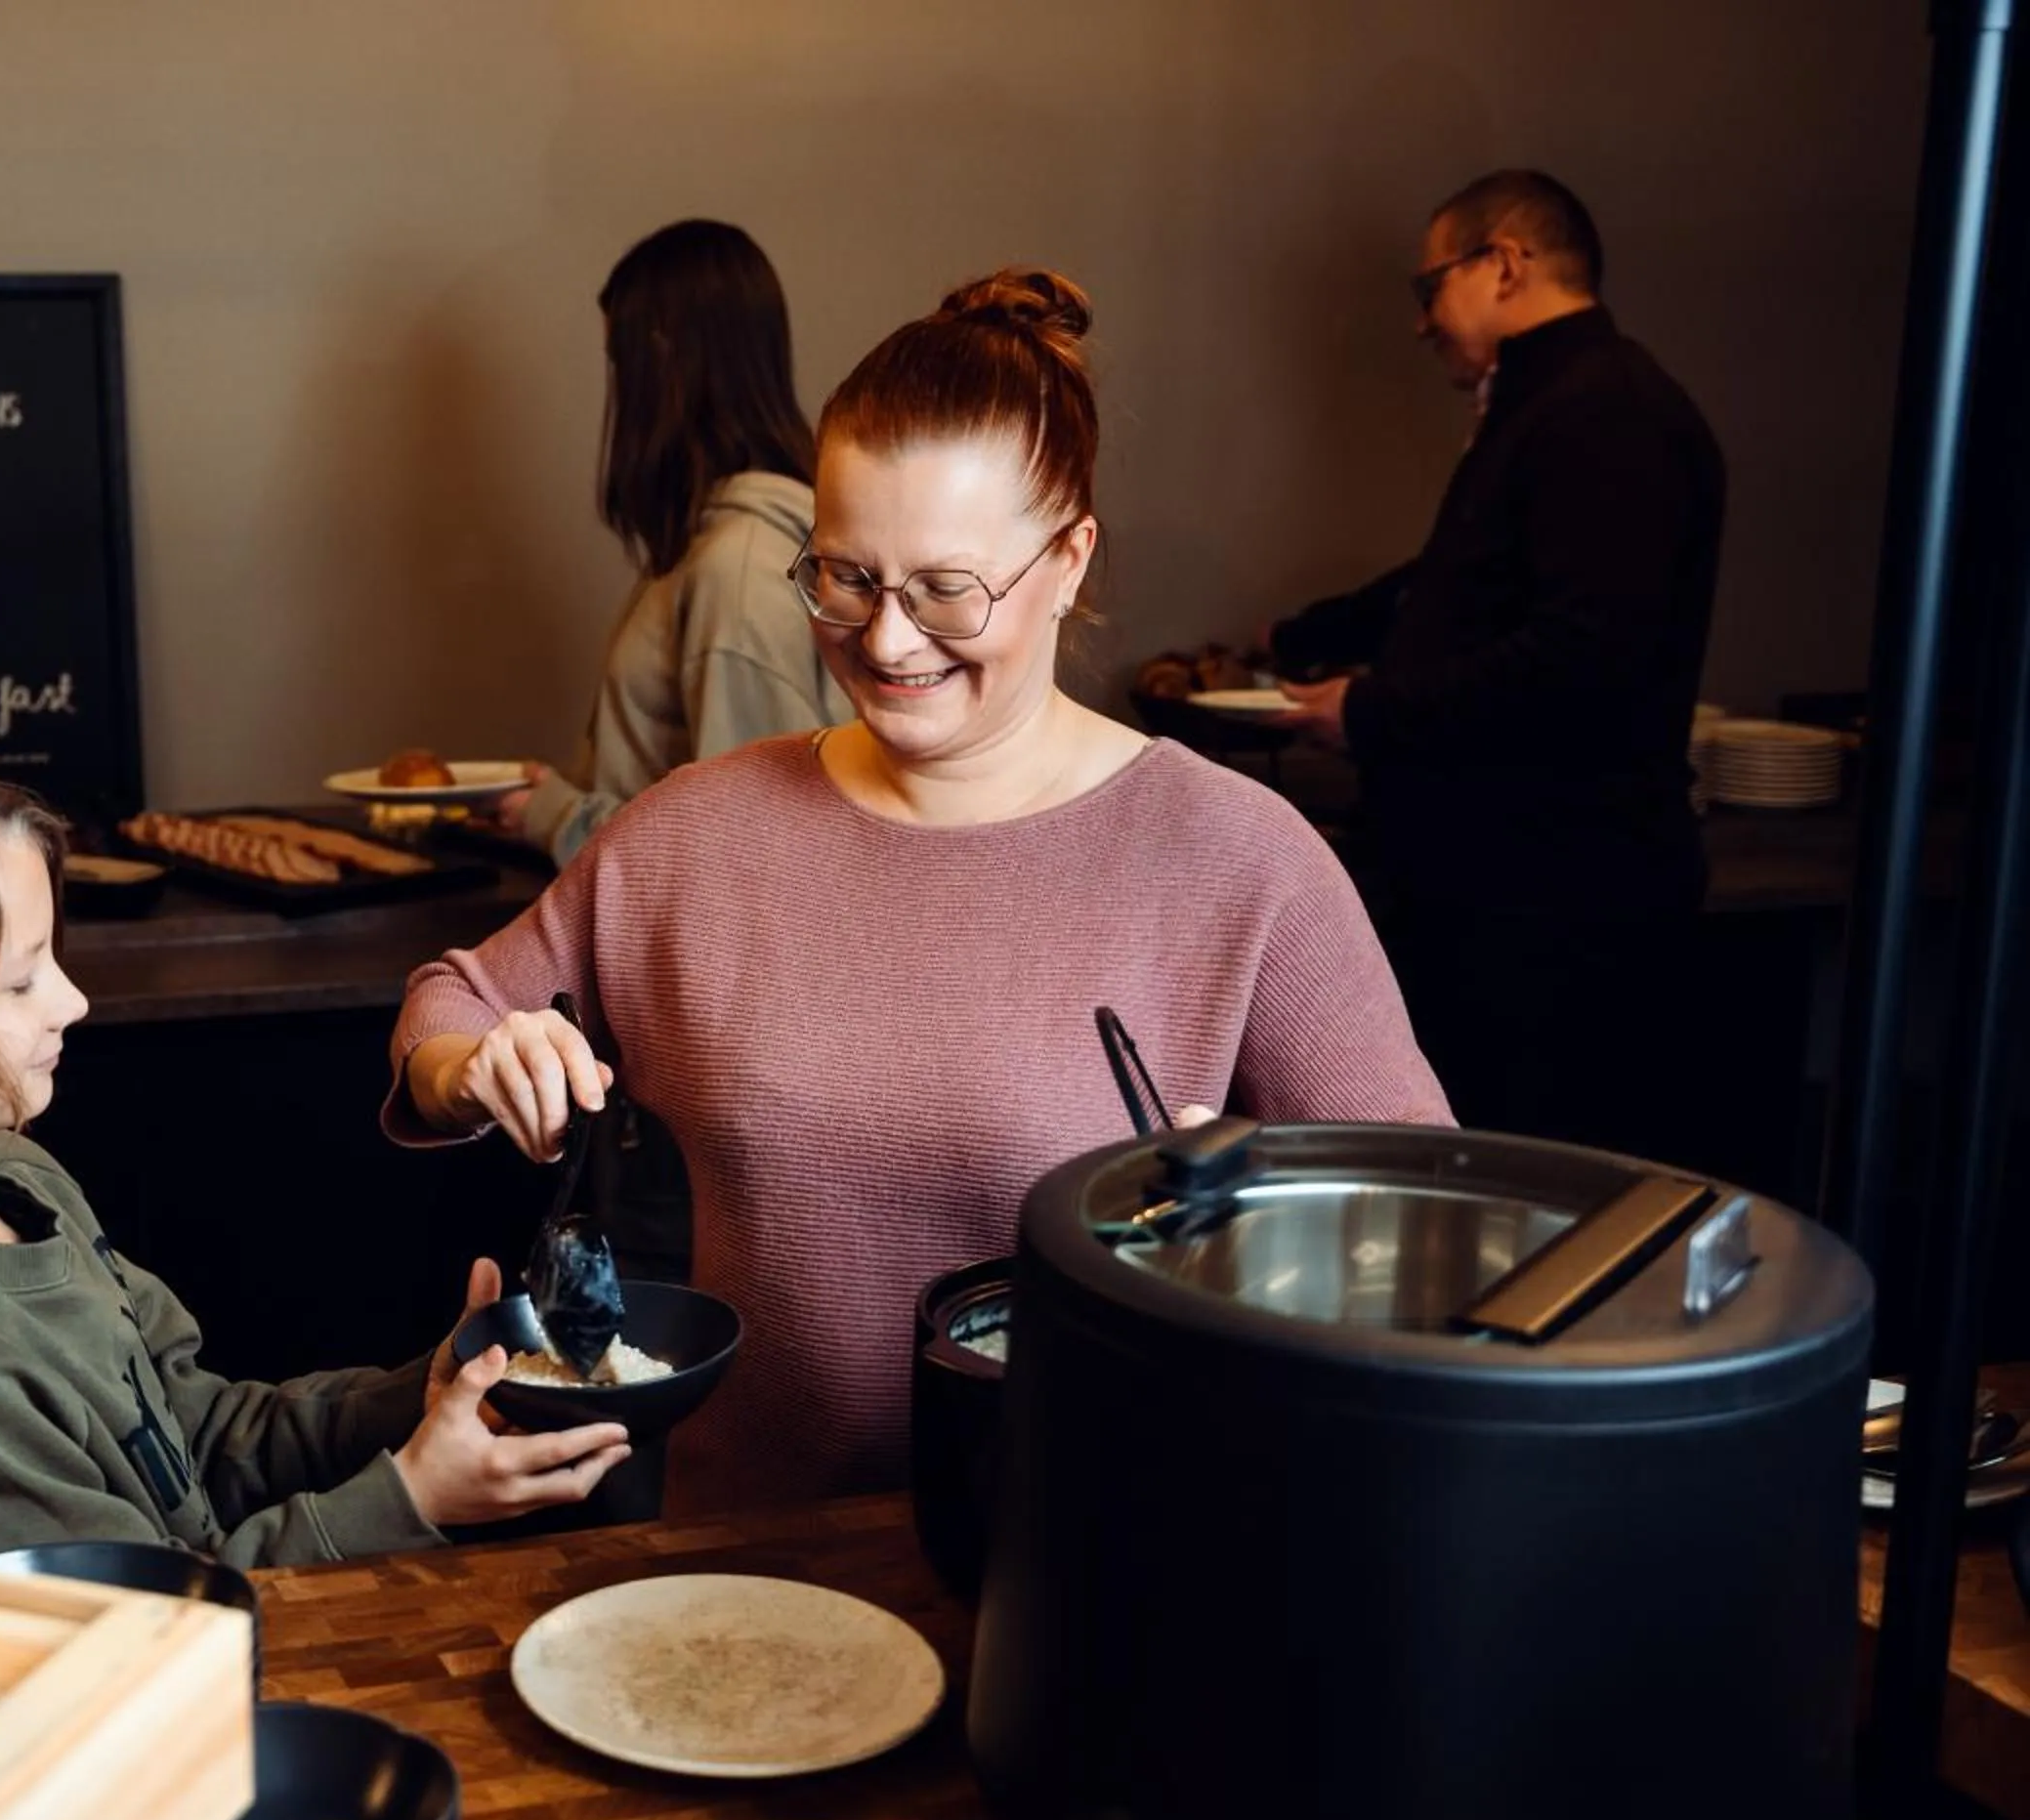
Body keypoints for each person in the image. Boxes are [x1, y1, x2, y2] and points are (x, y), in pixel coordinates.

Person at [390, 272, 1450, 1516]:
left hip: (1099, 1562)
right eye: (844, 578)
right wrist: (473, 1067)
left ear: (1068, 559)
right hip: (750, 1573)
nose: (887, 642)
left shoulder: (1236, 860)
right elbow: (449, 1001)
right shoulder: (701, 830)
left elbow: (1417, 1242)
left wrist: (1267, 1239)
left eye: (947, 589)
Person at [0, 746, 628, 1564]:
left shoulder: (17, 1178)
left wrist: (427, 1390)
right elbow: (138, 1636)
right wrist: (409, 1494)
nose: (73, 1002)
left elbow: (194, 1438)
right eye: (20, 983)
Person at [1271, 170, 1725, 1161]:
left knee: (1531, 1203)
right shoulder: (1547, 405)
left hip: (1558, 906)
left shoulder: (1609, 413)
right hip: (1505, 895)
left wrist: (1371, 711)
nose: (1422, 320)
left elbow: (1582, 656)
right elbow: (1463, 580)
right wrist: (1318, 634)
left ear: (1505, 265)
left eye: (1429, 287)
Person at [484, 218, 850, 1283]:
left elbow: (743, 856)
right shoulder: (735, 549)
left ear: (661, 360)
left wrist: (553, 809)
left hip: (704, 1079)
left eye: (618, 363)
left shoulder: (740, 567)